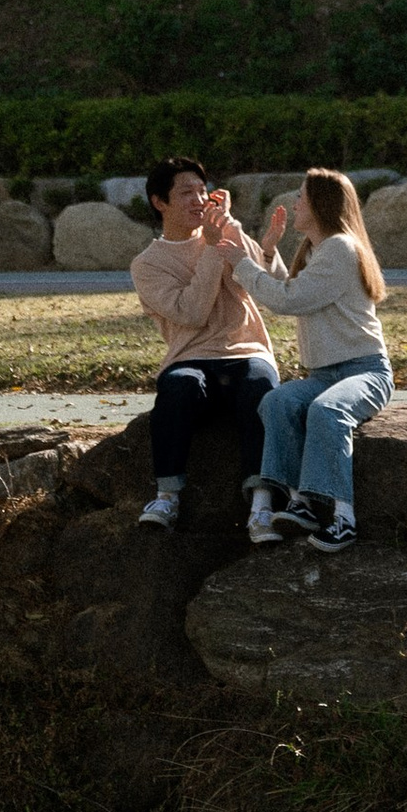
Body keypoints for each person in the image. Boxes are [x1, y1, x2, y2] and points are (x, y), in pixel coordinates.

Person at [234, 168, 392, 553]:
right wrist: (268, 252)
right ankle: (299, 503)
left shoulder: (341, 247)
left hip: (365, 370)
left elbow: (289, 300)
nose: (294, 203)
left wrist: (241, 263)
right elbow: (295, 289)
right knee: (277, 401)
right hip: (323, 373)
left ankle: (343, 519)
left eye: (302, 197)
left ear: (321, 204)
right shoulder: (318, 250)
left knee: (326, 411)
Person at [130, 157, 282, 536]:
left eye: (202, 190)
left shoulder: (223, 233)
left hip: (246, 351)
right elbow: (192, 312)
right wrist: (215, 249)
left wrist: (232, 228)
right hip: (191, 358)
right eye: (186, 193)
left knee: (260, 386)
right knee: (177, 385)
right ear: (160, 202)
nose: (198, 199)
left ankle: (262, 505)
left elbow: (266, 283)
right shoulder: (147, 264)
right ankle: (166, 496)